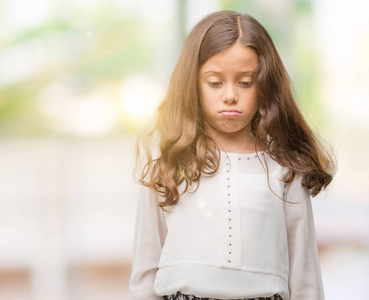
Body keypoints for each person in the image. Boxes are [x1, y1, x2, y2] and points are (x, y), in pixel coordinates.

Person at [129, 10, 337, 300]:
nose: (229, 95)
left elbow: (305, 279)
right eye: (215, 82)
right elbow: (144, 272)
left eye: (245, 82)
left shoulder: (286, 170)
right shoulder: (167, 164)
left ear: (265, 86)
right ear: (193, 84)